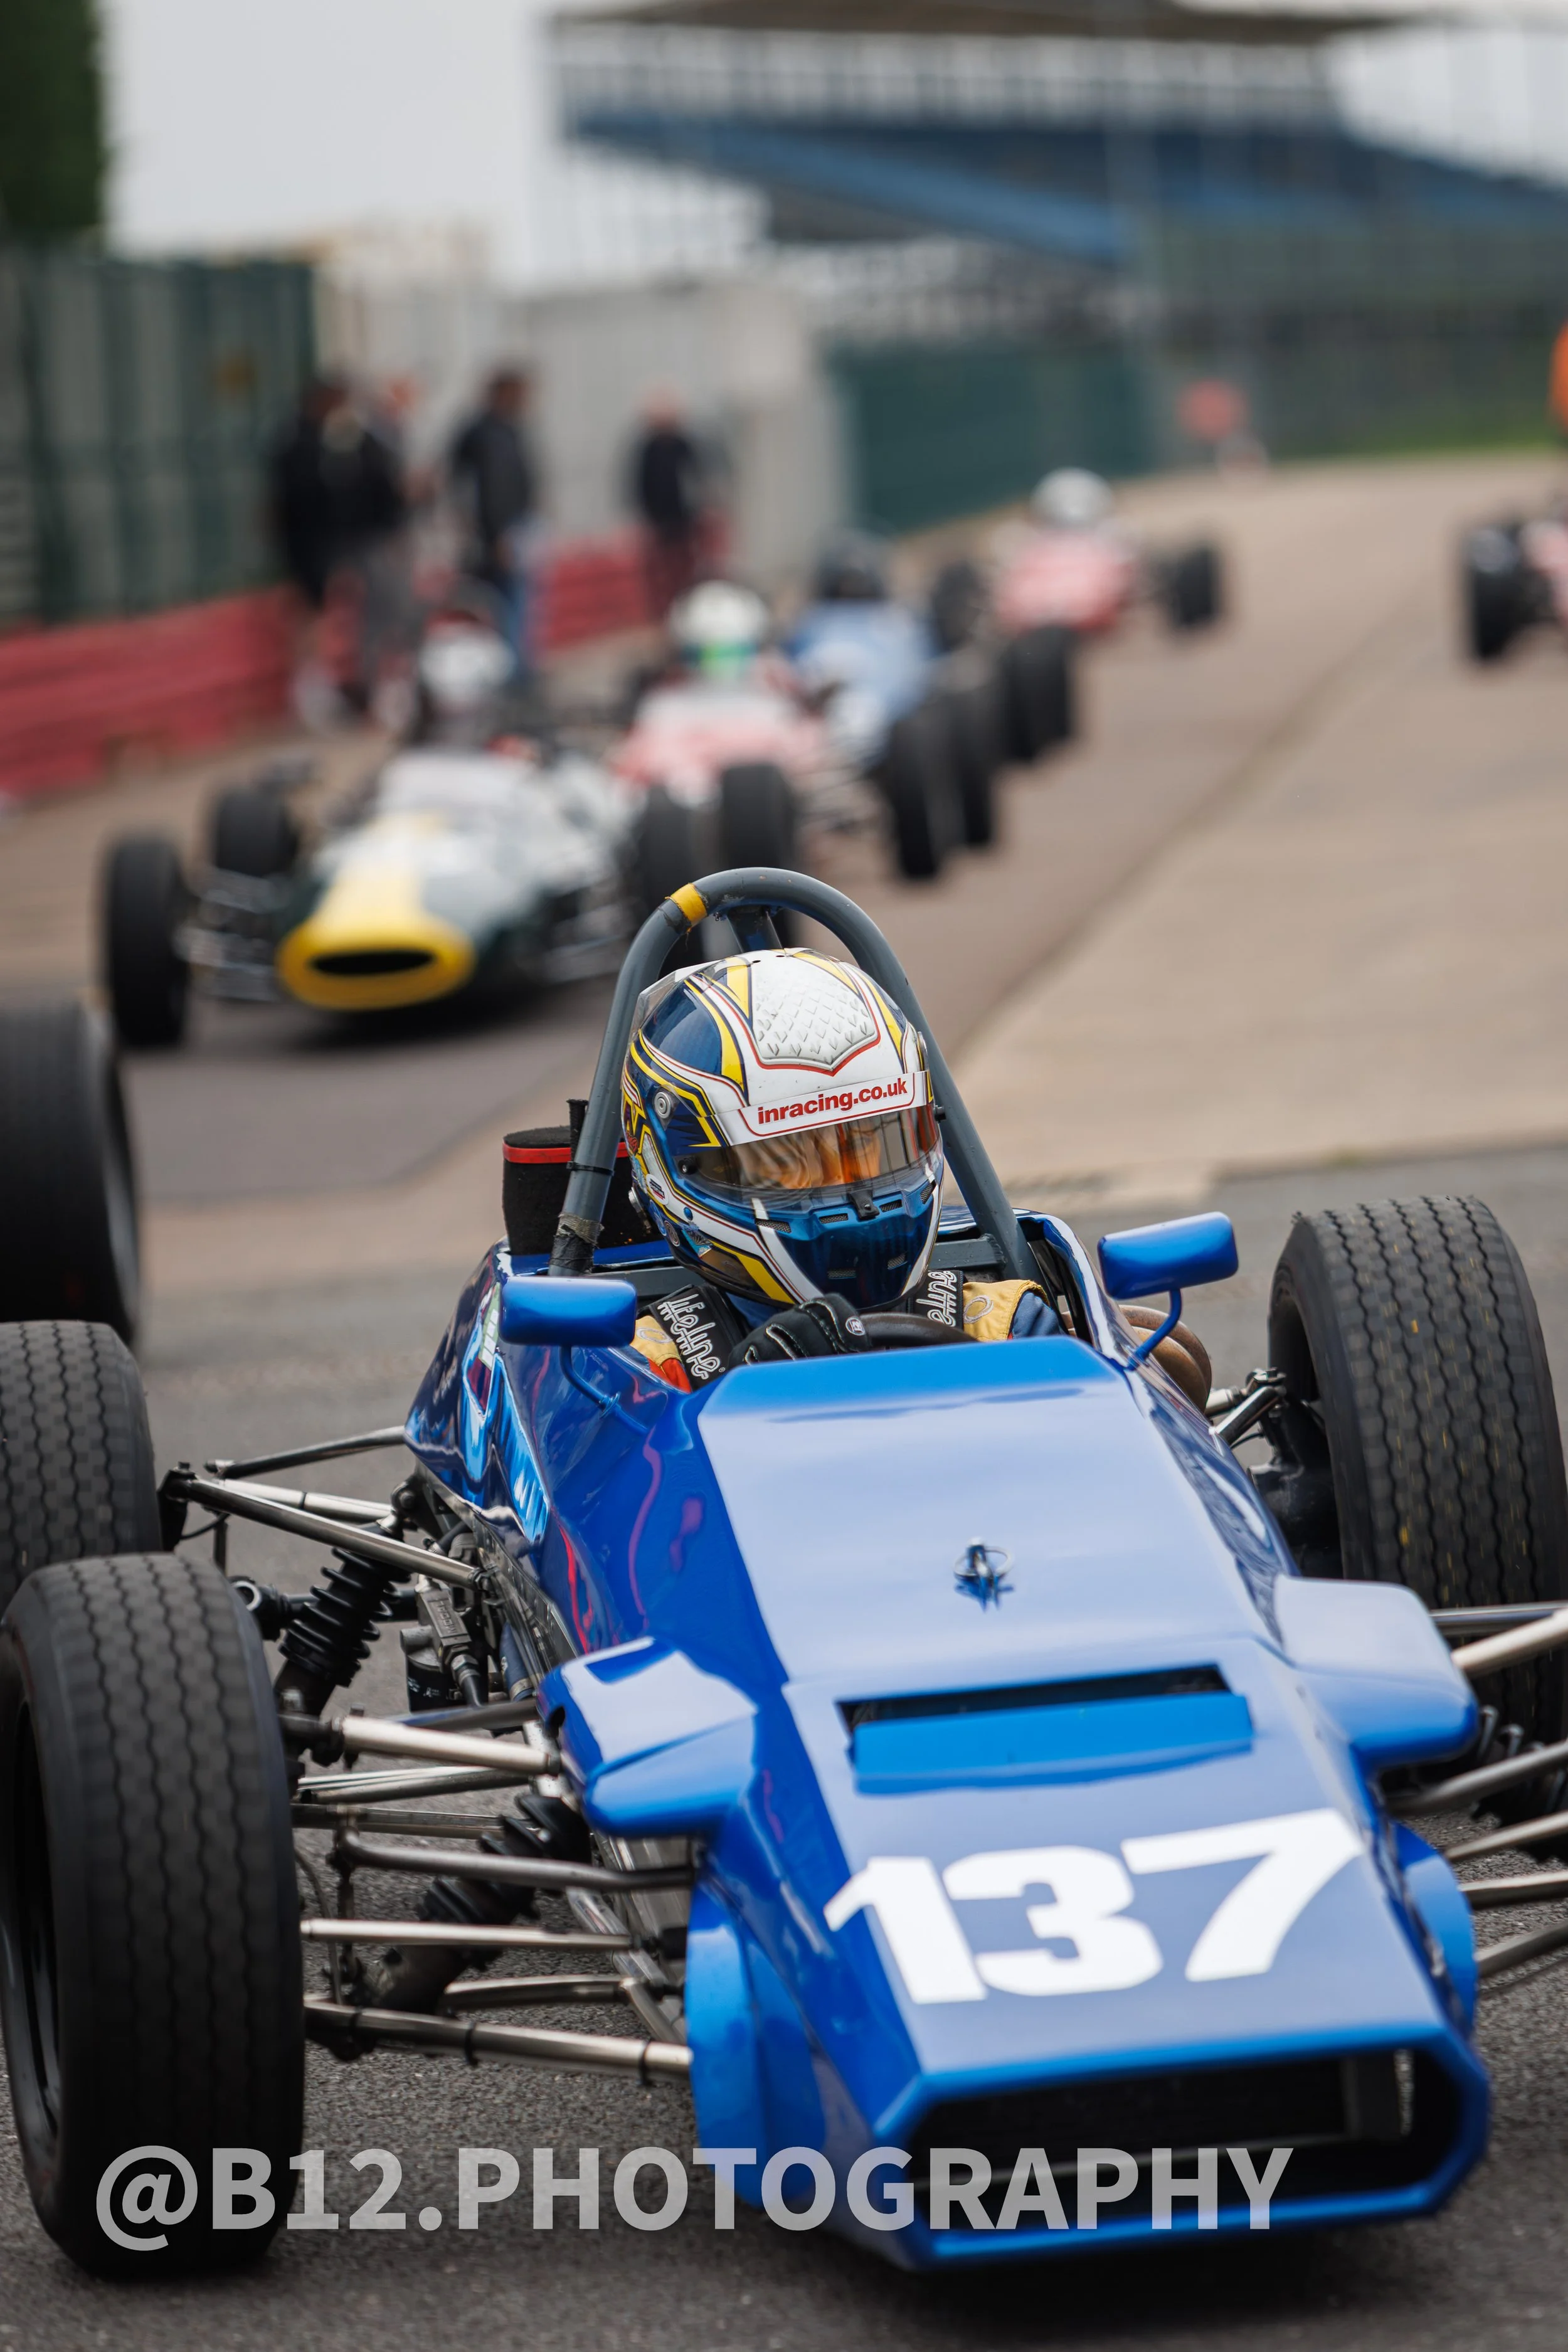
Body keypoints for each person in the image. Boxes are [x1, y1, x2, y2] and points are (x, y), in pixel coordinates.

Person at [618, 946, 1062, 1389]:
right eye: (790, 1160)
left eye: (873, 1144)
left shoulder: (1004, 1328)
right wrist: (730, 1400)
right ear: (674, 1171)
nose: (857, 1199)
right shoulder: (645, 1373)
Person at [267, 374, 405, 725]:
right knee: (313, 619)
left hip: (342, 539)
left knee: (375, 611)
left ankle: (368, 690)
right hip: (313, 544)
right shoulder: (302, 443)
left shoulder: (356, 440)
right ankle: (314, 695)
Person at [448, 368, 539, 670]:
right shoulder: (484, 433)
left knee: (523, 601)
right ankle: (510, 668)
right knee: (507, 602)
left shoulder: (508, 429)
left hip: (516, 526)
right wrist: (497, 533)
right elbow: (485, 488)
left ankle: (520, 665)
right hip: (499, 532)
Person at [630, 391, 704, 620]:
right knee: (659, 578)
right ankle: (662, 617)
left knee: (685, 573)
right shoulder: (648, 449)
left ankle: (687, 612)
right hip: (659, 522)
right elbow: (639, 485)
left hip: (684, 522)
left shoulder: (683, 445)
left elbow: (698, 478)